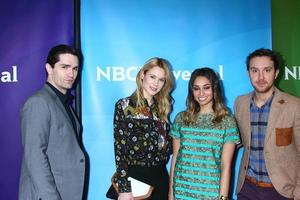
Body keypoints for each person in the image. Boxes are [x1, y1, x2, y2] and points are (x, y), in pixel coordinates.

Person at [18, 44, 86, 200]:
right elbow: (34, 157)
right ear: (49, 68)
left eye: (75, 68)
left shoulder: (62, 103)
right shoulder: (38, 102)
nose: (71, 73)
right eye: (65, 67)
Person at [235, 48, 300, 200]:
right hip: (247, 189)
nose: (261, 77)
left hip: (281, 191)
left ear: (276, 73)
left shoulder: (294, 106)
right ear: (248, 73)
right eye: (255, 70)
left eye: (267, 70)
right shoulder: (240, 103)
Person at [169, 67, 240, 200]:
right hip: (181, 192)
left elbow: (226, 165)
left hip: (211, 195)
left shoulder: (227, 121)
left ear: (214, 89)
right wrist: (171, 194)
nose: (201, 93)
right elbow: (175, 159)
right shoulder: (181, 118)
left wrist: (222, 198)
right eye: (196, 88)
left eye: (206, 87)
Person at [112, 57, 174, 200]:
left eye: (161, 79)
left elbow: (165, 146)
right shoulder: (125, 105)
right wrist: (124, 188)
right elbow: (120, 149)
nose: (156, 83)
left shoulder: (162, 108)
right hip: (135, 178)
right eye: (152, 77)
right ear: (142, 75)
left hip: (160, 177)